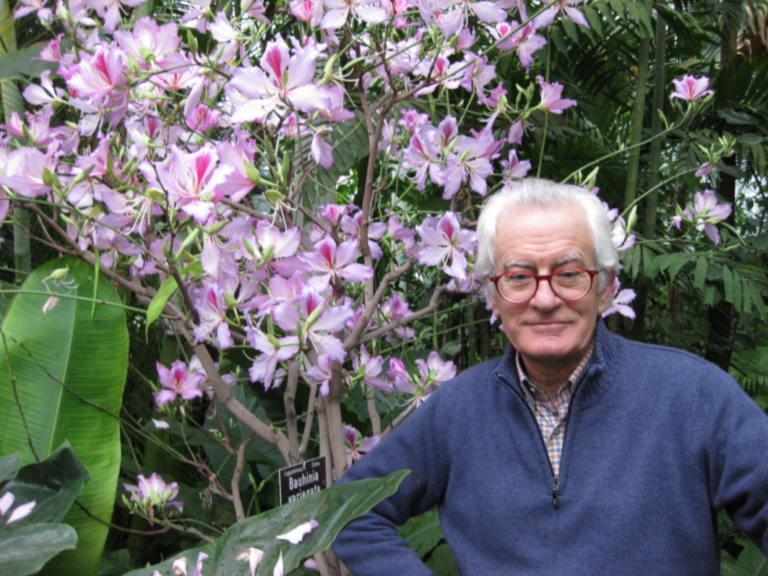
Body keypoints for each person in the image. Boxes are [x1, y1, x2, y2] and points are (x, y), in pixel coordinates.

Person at [331, 178, 768, 575]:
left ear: (606, 288)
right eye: (519, 277)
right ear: (493, 296)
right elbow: (349, 509)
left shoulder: (694, 396)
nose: (544, 299)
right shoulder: (458, 410)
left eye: (569, 274)